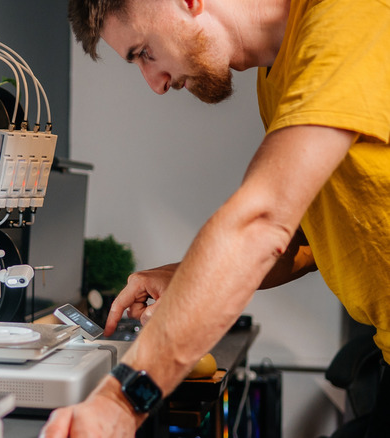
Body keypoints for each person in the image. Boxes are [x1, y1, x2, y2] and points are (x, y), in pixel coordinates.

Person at [41, 0, 390, 436]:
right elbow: (308, 237)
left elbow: (262, 223)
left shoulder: (351, 14)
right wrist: (187, 278)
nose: (154, 83)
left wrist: (121, 401)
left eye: (144, 52)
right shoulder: (276, 76)